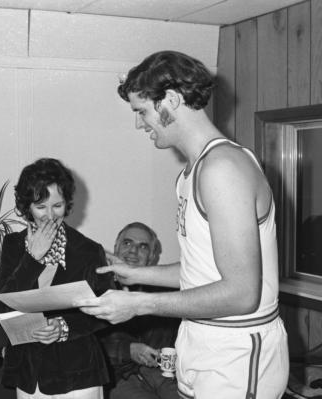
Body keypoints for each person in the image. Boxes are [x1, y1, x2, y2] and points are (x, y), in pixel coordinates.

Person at [75, 51, 289, 398]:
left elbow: (241, 293)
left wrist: (139, 304)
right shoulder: (191, 173)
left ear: (171, 100)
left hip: (235, 352)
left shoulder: (223, 169)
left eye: (141, 111)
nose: (139, 124)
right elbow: (201, 271)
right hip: (201, 341)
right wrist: (138, 275)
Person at [0, 158, 112, 399]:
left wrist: (63, 327)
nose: (50, 215)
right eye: (41, 207)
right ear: (27, 206)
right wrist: (32, 258)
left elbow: (105, 310)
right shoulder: (13, 245)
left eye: (57, 205)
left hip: (78, 373)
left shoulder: (88, 250)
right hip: (29, 375)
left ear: (67, 204)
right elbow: (4, 305)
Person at [99, 222, 179, 399]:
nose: (133, 251)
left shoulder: (167, 293)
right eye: (127, 243)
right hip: (118, 377)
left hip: (164, 375)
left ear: (151, 256)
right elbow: (86, 342)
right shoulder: (97, 287)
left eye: (142, 247)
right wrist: (129, 350)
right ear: (116, 248)